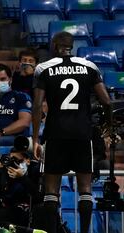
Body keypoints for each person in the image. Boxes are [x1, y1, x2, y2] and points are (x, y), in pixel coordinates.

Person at [32, 31, 112, 233]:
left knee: (51, 190)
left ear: (54, 46)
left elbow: (37, 105)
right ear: (71, 46)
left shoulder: (44, 68)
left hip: (55, 133)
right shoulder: (89, 67)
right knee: (85, 189)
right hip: (82, 133)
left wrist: (35, 139)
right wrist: (108, 128)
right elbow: (106, 101)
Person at [0, 64, 32, 143]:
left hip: (15, 140)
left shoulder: (21, 96)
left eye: (3, 79)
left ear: (10, 79)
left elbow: (24, 122)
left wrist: (1, 132)